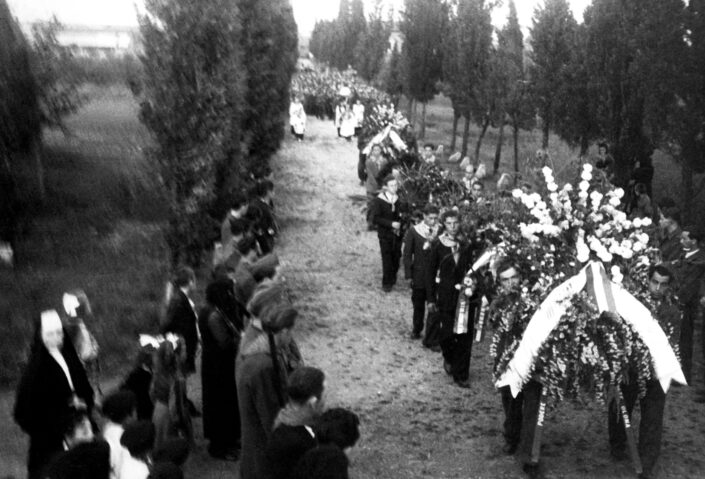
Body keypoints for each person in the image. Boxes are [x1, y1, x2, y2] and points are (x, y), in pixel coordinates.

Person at [608, 265, 680, 479]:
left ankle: (647, 462)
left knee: (653, 417)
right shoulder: (633, 304)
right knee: (620, 408)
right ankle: (617, 444)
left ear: (668, 287)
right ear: (647, 281)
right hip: (631, 368)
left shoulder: (673, 312)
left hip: (656, 372)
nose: (657, 288)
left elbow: (674, 344)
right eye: (654, 282)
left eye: (663, 284)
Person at [14, 310, 95, 479]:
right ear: (42, 336)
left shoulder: (70, 357)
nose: (57, 337)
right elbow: (27, 410)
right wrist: (64, 411)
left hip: (79, 425)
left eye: (59, 333)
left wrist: (83, 401)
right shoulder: (35, 370)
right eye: (51, 334)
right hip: (50, 438)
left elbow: (84, 387)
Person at [237, 284, 301, 479]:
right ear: (282, 332)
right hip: (263, 457)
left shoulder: (263, 354)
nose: (292, 338)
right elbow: (270, 416)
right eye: (291, 332)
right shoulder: (263, 366)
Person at [488, 259, 543, 475]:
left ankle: (531, 456)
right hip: (507, 364)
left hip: (533, 364)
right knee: (511, 405)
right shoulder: (497, 304)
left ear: (520, 278)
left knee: (532, 408)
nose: (511, 283)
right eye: (505, 280)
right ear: (499, 283)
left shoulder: (534, 300)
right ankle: (511, 437)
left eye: (514, 278)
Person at [426, 210, 480, 388]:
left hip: (465, 296)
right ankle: (448, 357)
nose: (453, 227)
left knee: (464, 336)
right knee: (446, 335)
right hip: (446, 296)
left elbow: (474, 267)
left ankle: (461, 374)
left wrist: (473, 285)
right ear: (444, 224)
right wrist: (431, 298)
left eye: (455, 223)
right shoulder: (438, 245)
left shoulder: (466, 244)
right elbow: (430, 272)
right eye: (449, 223)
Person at [199, 276, 243, 460]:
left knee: (225, 403)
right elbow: (224, 342)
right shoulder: (213, 315)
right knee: (221, 404)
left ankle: (229, 440)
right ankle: (219, 446)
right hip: (217, 366)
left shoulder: (211, 310)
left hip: (216, 364)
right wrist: (240, 339)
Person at [266, 367, 326, 479]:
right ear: (312, 402)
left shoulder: (282, 421)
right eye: (325, 394)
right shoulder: (304, 442)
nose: (326, 400)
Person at [668, 225, 705, 388]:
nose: (681, 241)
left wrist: (677, 299)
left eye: (685, 238)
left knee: (684, 340)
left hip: (686, 305)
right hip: (678, 302)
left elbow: (689, 285)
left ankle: (683, 374)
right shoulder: (686, 255)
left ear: (694, 241)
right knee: (676, 337)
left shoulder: (699, 260)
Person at [402, 204, 439, 340]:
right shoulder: (414, 231)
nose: (433, 221)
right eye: (430, 218)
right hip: (419, 274)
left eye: (435, 218)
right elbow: (407, 254)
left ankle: (430, 335)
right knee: (418, 304)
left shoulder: (439, 232)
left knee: (433, 304)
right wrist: (408, 275)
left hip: (434, 275)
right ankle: (417, 328)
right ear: (424, 217)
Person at [291, 408, 361, 479]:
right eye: (358, 443)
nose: (359, 447)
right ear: (348, 449)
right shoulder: (337, 473)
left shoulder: (305, 465)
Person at [43, 407, 111, 479]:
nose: (91, 436)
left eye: (90, 429)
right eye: (85, 432)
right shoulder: (54, 464)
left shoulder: (101, 451)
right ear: (68, 437)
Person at [150, 338, 192, 451]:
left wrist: (158, 404)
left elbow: (151, 393)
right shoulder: (176, 378)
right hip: (168, 413)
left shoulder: (156, 373)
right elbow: (175, 404)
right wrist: (181, 423)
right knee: (170, 445)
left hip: (158, 410)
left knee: (160, 442)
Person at [160, 267, 199, 378]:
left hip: (183, 345)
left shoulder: (181, 298)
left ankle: (183, 395)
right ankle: (181, 395)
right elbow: (169, 322)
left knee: (181, 377)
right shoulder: (179, 300)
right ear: (190, 281)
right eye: (194, 280)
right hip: (181, 346)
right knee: (180, 376)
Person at [369, 175, 404, 292]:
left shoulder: (398, 199)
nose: (394, 188)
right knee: (387, 258)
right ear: (385, 187)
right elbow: (375, 218)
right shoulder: (379, 200)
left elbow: (401, 214)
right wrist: (390, 224)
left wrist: (400, 223)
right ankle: (386, 283)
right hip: (385, 234)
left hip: (397, 234)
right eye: (391, 185)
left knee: (397, 256)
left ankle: (392, 276)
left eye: (396, 185)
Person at [102, 389, 137, 479]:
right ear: (127, 417)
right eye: (134, 410)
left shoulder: (108, 429)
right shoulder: (123, 443)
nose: (136, 414)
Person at [120, 345, 155, 421]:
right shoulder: (136, 374)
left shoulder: (152, 371)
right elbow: (124, 388)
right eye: (151, 357)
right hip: (143, 407)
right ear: (146, 359)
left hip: (151, 405)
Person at [248, 180, 279, 255]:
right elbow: (264, 225)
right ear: (268, 192)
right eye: (273, 190)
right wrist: (272, 234)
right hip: (264, 241)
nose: (274, 192)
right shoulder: (262, 208)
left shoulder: (257, 203)